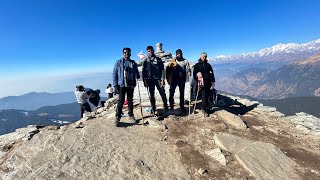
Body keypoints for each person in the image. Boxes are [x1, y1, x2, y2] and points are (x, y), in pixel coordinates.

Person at [113, 47, 140, 126]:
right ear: (123, 53)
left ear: (130, 53)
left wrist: (138, 75)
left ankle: (131, 115)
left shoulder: (133, 63)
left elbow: (137, 72)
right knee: (121, 101)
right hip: (121, 85)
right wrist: (115, 86)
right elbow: (114, 74)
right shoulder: (118, 62)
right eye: (125, 52)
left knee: (130, 100)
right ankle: (117, 117)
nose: (126, 54)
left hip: (131, 84)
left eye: (127, 52)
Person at [142, 45, 168, 115]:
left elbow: (162, 69)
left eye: (152, 50)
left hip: (158, 79)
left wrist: (163, 79)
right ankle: (153, 108)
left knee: (162, 92)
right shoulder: (145, 60)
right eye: (149, 51)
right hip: (150, 80)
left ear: (153, 50)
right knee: (151, 95)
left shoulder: (158, 59)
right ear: (147, 52)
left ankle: (165, 105)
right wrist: (144, 81)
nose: (150, 52)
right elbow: (143, 71)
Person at [166, 49, 190, 113]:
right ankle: (171, 106)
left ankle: (182, 106)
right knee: (171, 92)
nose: (179, 55)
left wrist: (189, 72)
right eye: (178, 54)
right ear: (176, 54)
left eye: (180, 53)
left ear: (182, 54)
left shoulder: (185, 61)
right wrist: (171, 63)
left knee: (182, 94)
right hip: (174, 79)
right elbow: (168, 68)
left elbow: (188, 68)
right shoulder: (173, 60)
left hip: (181, 79)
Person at [193, 52, 215, 117]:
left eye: (205, 56)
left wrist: (213, 81)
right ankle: (204, 109)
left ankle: (206, 107)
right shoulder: (197, 65)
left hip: (208, 83)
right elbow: (194, 74)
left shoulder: (208, 65)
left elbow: (211, 73)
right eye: (203, 56)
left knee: (207, 95)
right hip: (201, 83)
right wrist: (197, 76)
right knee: (204, 95)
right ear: (200, 57)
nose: (204, 58)